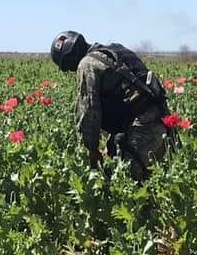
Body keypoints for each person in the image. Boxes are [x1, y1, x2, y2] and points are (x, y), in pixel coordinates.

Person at [51, 31, 169, 181]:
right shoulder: (115, 50)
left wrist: (91, 150)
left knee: (127, 184)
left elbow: (88, 112)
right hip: (162, 120)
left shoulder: (87, 64)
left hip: (143, 127)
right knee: (145, 181)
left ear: (70, 59)